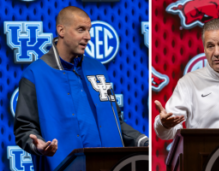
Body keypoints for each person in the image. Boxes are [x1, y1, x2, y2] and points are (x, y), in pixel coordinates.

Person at [14, 6, 148, 170]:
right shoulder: (34, 74)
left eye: (89, 30)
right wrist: (37, 145)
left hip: (112, 165)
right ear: (61, 30)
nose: (88, 37)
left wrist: (142, 140)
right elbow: (24, 128)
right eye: (81, 30)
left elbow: (115, 121)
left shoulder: (98, 69)